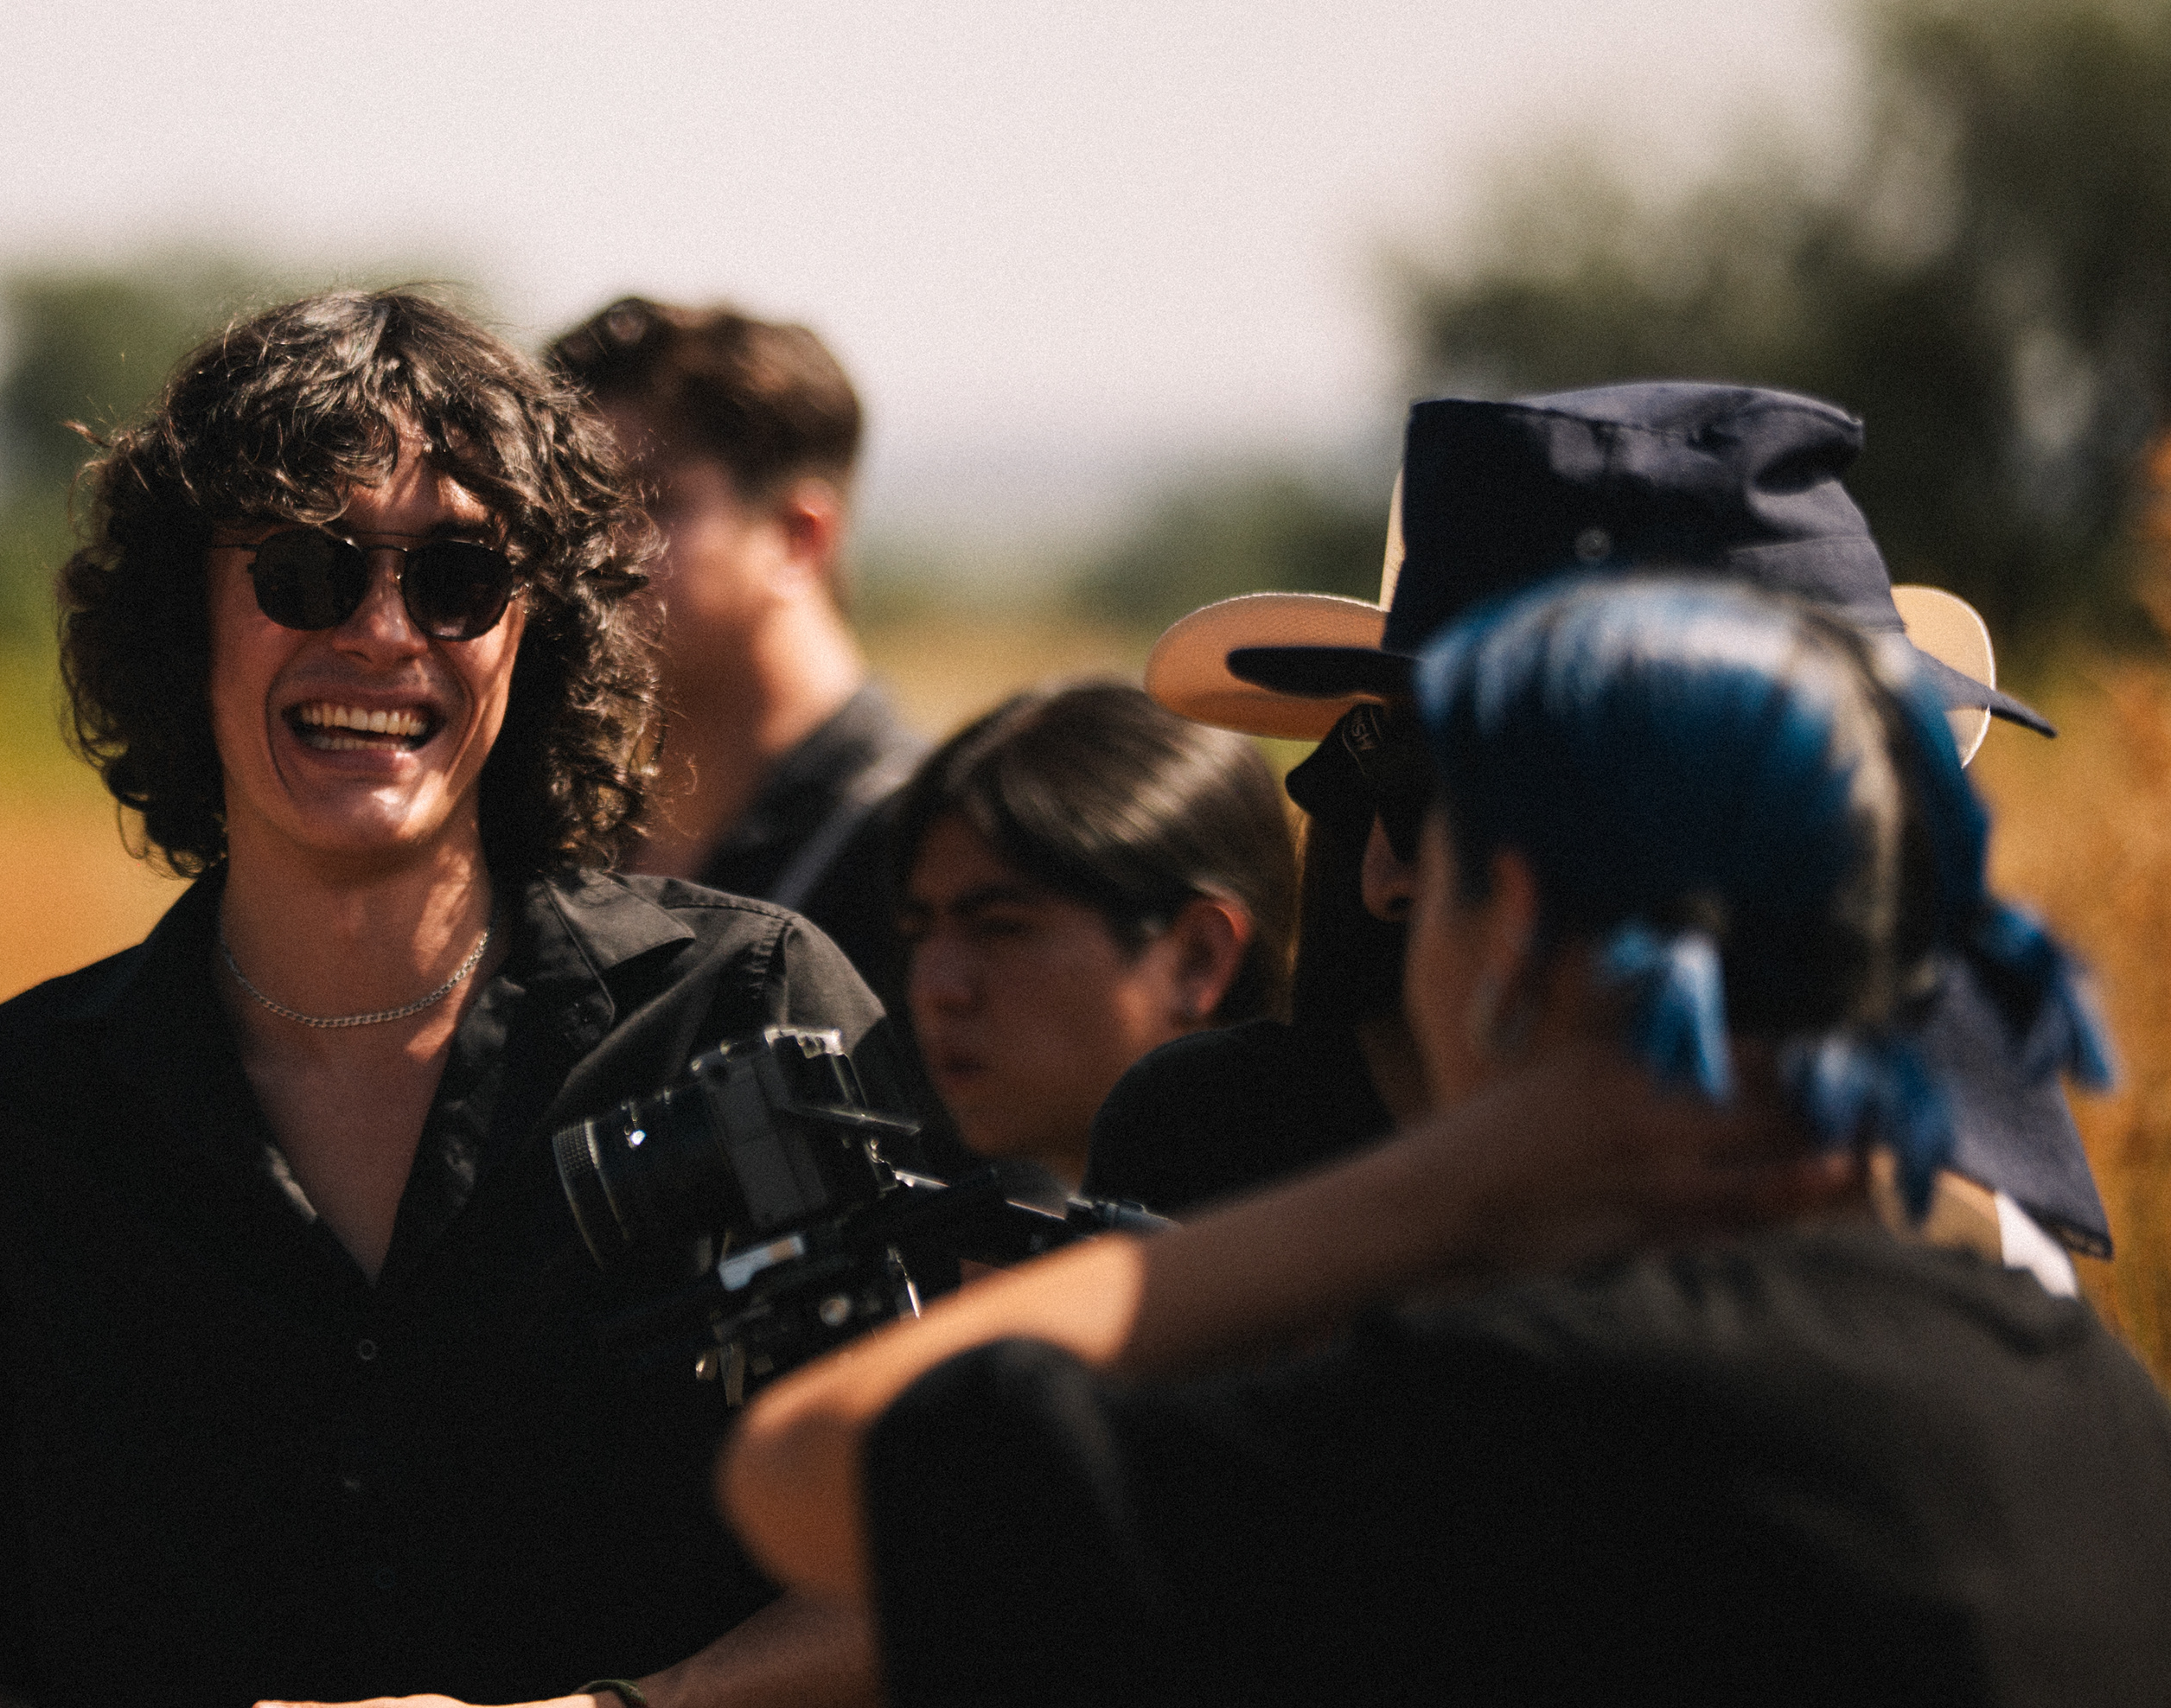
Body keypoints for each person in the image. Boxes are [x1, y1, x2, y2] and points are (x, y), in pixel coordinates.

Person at [720, 573, 2171, 1706]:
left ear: (1513, 921)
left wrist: (1453, 1180)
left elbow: (818, 1474)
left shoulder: (1520, 1429)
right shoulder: (2087, 1399)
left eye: (1419, 824)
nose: (1376, 880)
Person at [0, 290, 884, 1708]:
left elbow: (930, 1567)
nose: (386, 632)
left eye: (459, 577)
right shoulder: (12, 1115)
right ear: (185, 615)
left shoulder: (747, 1018)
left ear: (534, 631)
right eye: (308, 568)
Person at [1084, 381, 2110, 1290]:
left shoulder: (1926, 1259)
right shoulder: (1991, 1284)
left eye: (1443, 799)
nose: (1383, 872)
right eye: (1381, 782)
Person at [540, 298, 921, 985]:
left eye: (648, 503)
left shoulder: (923, 860)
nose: (588, 549)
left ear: (798, 537)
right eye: (572, 507)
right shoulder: (572, 833)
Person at [890, 683, 1293, 1193]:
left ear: (1198, 957)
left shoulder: (1342, 1234)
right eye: (918, 932)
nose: (936, 989)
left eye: (1001, 928)